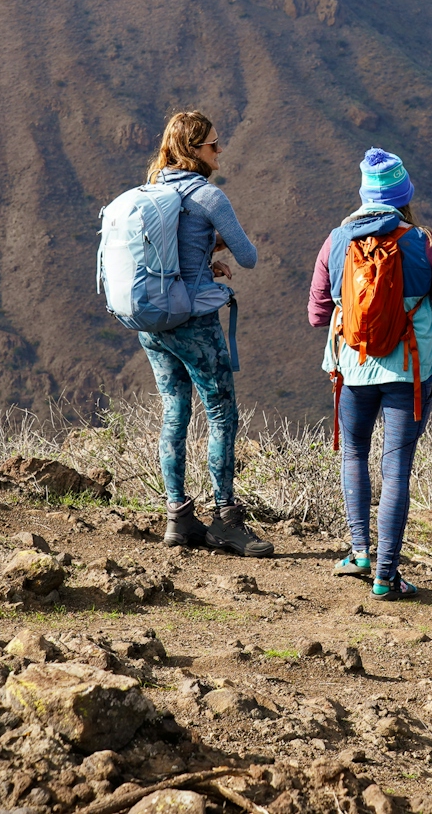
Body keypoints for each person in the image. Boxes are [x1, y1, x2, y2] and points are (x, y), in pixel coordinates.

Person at [307, 148, 432, 599]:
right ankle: (386, 576)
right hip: (409, 371)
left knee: (353, 454)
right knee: (396, 472)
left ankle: (359, 554)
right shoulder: (425, 242)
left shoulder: (336, 241)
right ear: (403, 194)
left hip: (352, 367)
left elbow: (318, 314)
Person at [137, 111, 271, 557]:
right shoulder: (208, 197)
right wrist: (219, 244)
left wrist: (202, 256)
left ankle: (177, 517)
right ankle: (226, 518)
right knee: (221, 412)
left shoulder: (152, 191)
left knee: (174, 411)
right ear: (193, 150)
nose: (220, 150)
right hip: (193, 322)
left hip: (153, 322)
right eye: (214, 144)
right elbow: (248, 257)